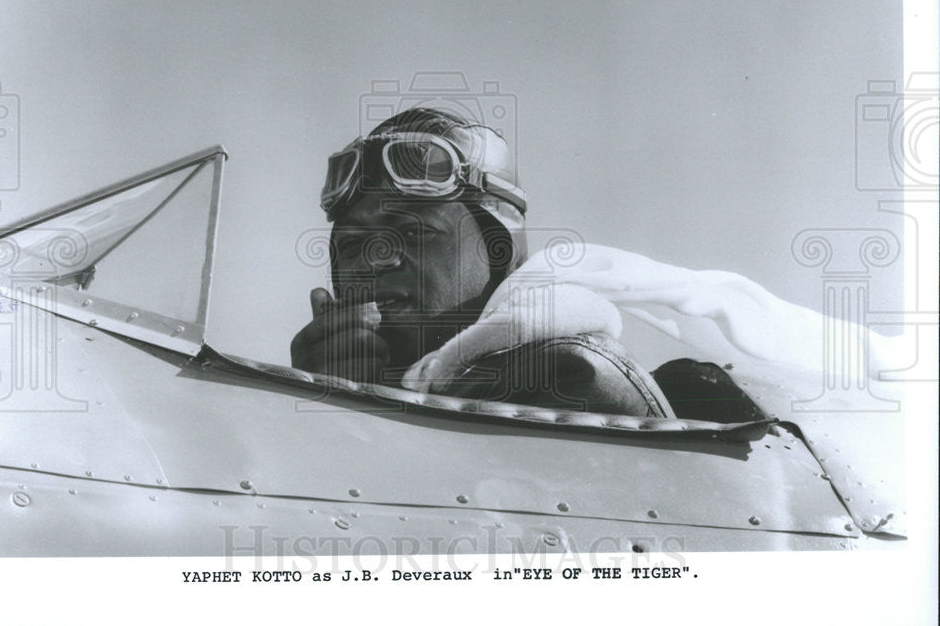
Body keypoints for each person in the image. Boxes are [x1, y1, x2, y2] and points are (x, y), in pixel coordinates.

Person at [291, 108, 764, 421]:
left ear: (500, 253)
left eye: (413, 233)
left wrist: (358, 413)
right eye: (351, 246)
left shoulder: (568, 378)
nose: (375, 259)